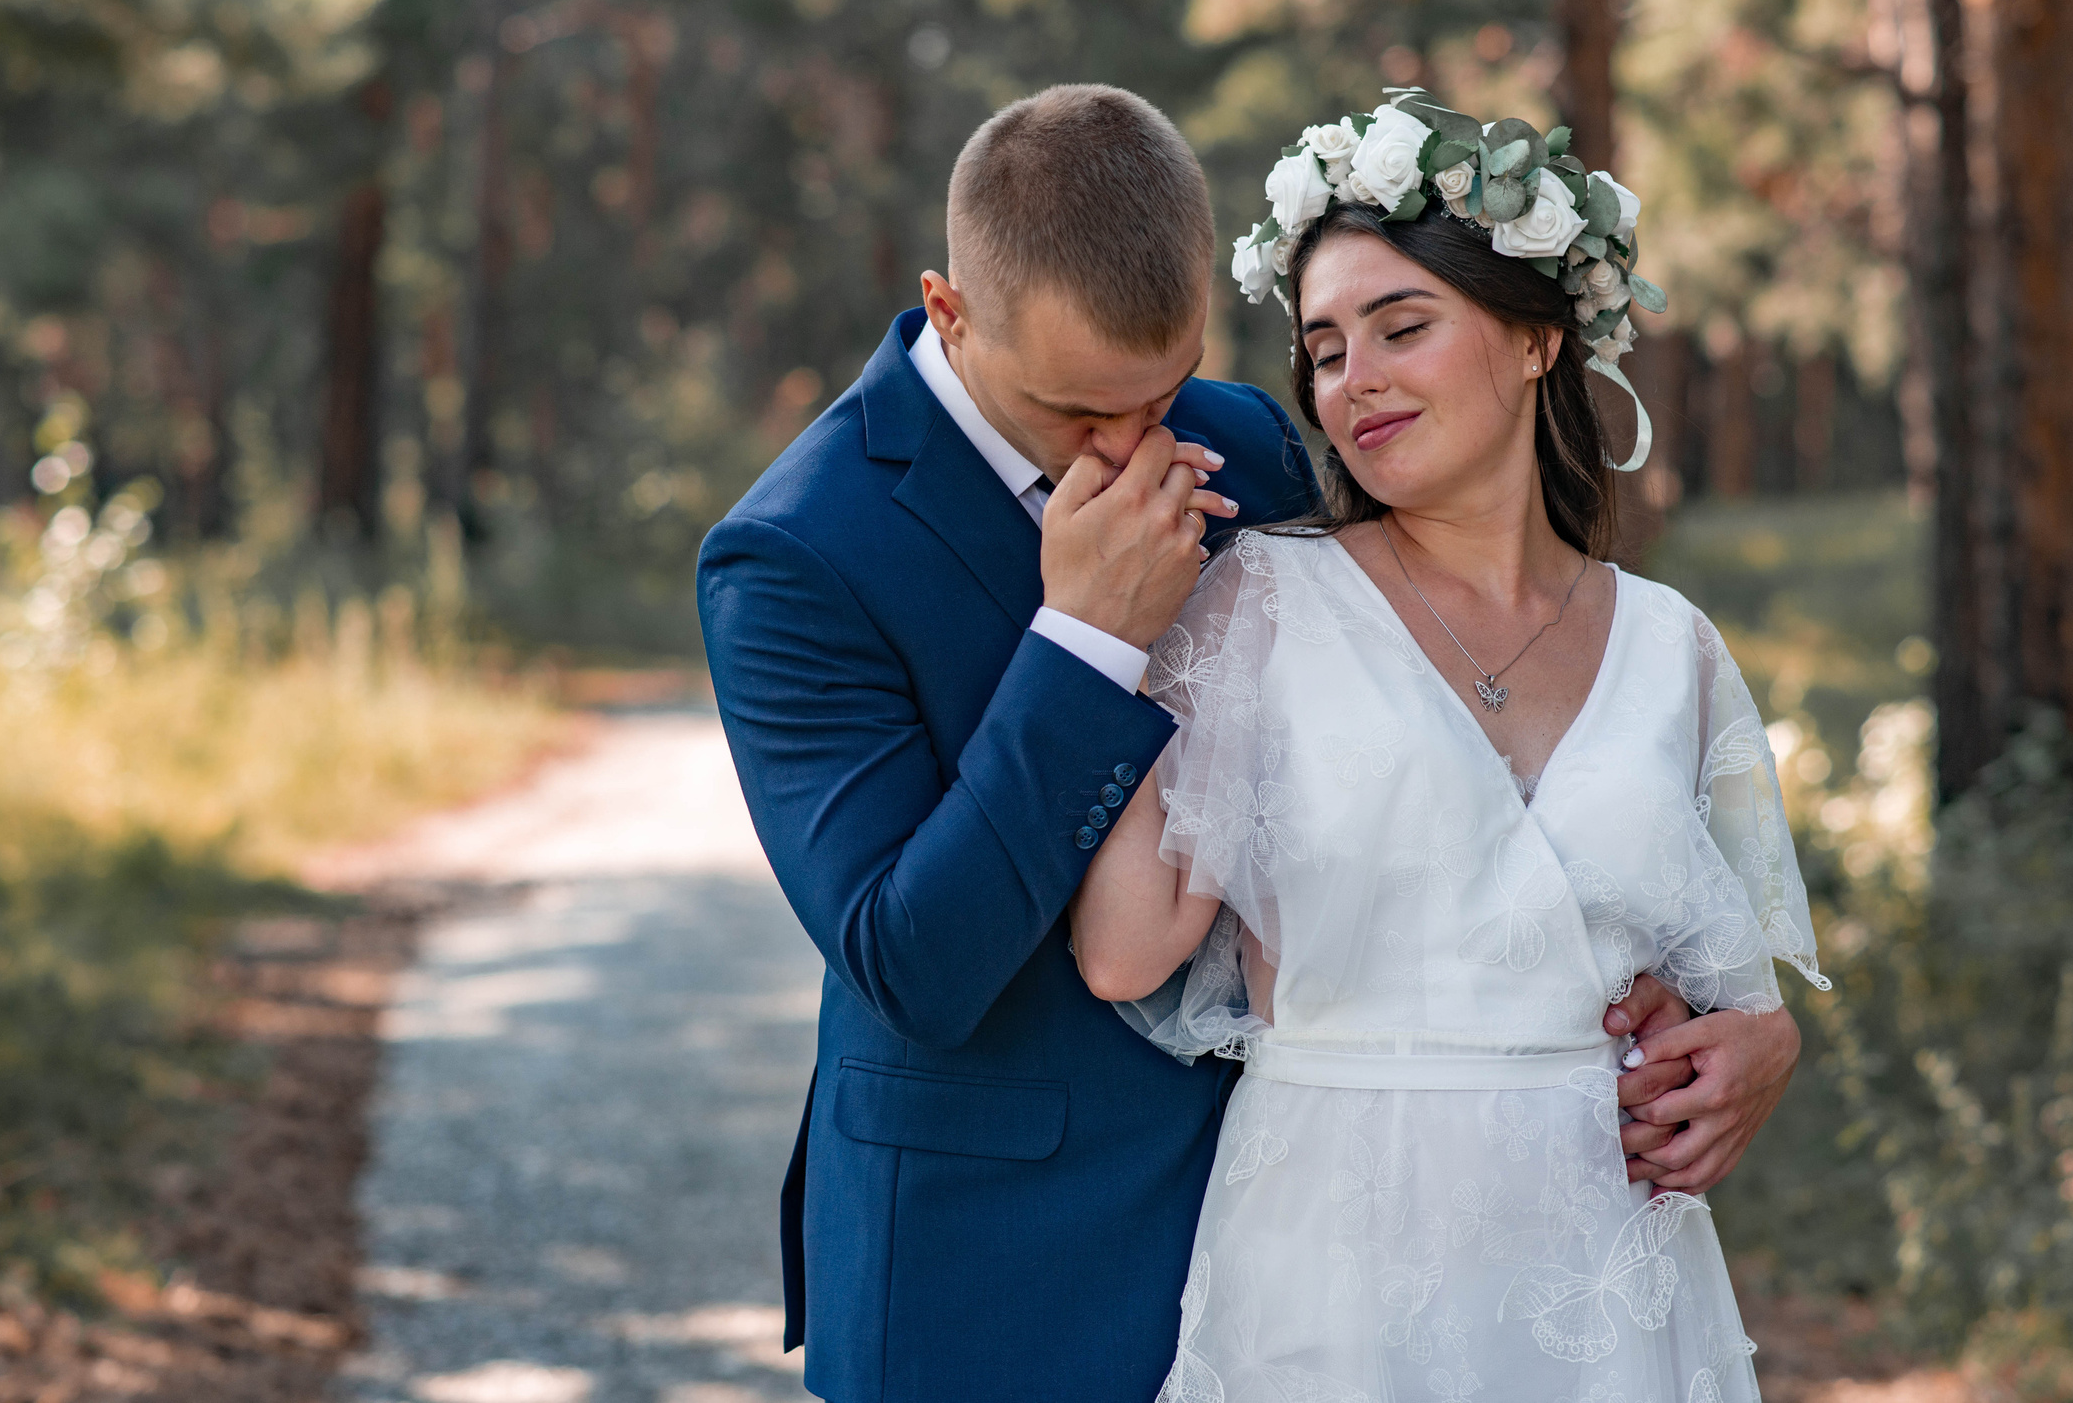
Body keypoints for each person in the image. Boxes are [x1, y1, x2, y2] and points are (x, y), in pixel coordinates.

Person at [697, 84, 1798, 1403]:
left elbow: (1411, 788)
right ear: (951, 311)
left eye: (1162, 391)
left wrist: (1708, 1023)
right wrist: (1086, 641)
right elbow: (911, 965)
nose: (1135, 446)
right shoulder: (796, 554)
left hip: (1314, 1236)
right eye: (1077, 410)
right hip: (996, 1266)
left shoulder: (1250, 441)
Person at [1070, 91, 1831, 1403]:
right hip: (1331, 1265)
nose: (1352, 378)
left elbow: (1734, 1003)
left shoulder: (1674, 647)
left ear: (1537, 339)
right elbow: (1122, 952)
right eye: (1323, 349)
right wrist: (1104, 628)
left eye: (1401, 326)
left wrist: (1760, 1047)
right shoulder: (1263, 604)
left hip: (1604, 1274)